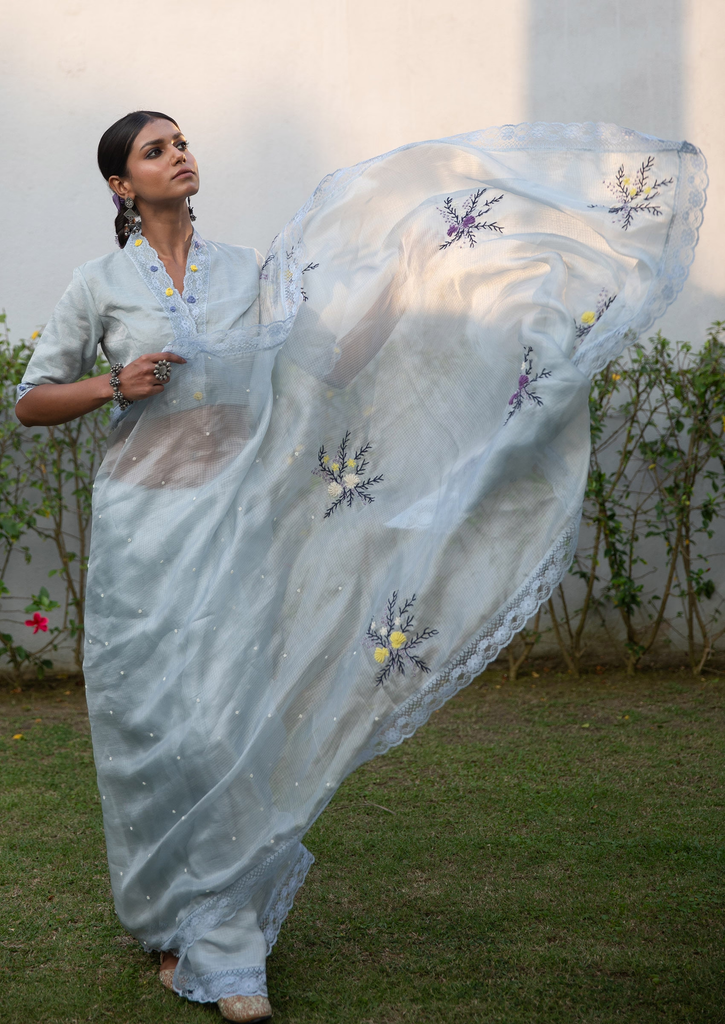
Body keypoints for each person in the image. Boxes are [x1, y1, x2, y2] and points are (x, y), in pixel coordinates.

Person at [16, 111, 706, 1022]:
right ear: (120, 186)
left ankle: (223, 942)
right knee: (154, 723)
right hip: (146, 527)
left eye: (180, 142)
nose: (178, 155)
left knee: (229, 716)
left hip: (239, 520)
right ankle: (167, 916)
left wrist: (409, 278)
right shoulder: (97, 284)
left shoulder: (246, 274)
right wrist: (115, 384)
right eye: (155, 149)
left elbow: (330, 363)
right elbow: (31, 400)